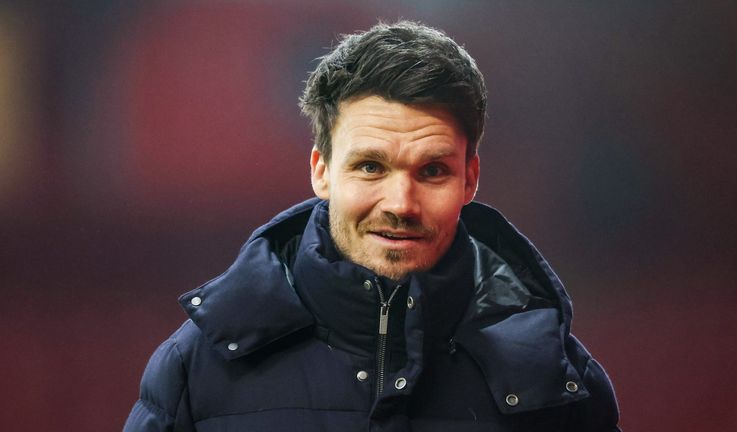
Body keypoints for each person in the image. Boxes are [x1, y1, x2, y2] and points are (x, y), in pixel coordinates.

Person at [124, 21, 620, 431]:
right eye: (370, 167)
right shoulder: (197, 365)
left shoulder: (555, 377)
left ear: (470, 179)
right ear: (321, 170)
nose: (401, 203)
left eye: (432, 171)